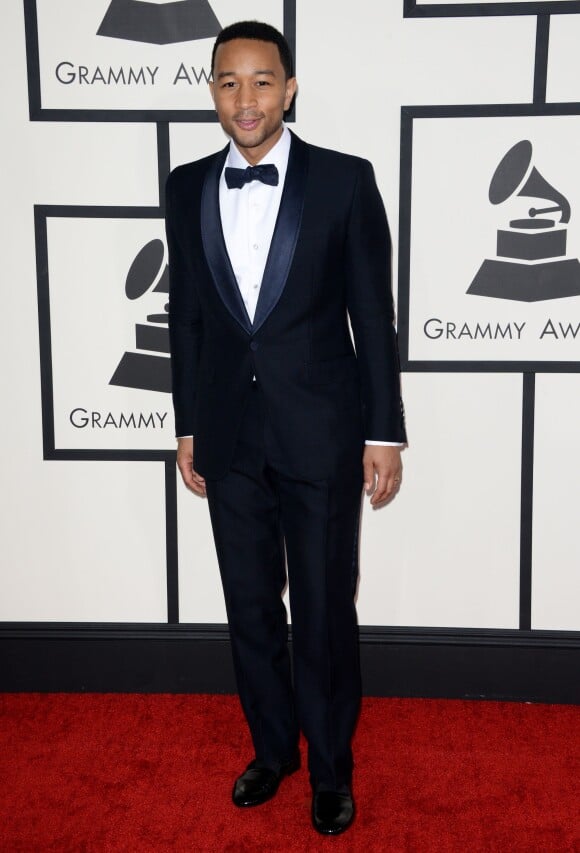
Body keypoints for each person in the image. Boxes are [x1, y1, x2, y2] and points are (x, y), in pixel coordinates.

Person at [166, 20, 406, 836]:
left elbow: (373, 315)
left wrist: (385, 431)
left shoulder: (344, 181)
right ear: (211, 91)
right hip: (229, 436)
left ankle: (332, 768)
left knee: (325, 608)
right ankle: (274, 751)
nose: (246, 99)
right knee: (249, 607)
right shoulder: (187, 184)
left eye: (262, 81)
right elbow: (189, 317)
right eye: (229, 82)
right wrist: (189, 422)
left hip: (324, 433)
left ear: (290, 88)